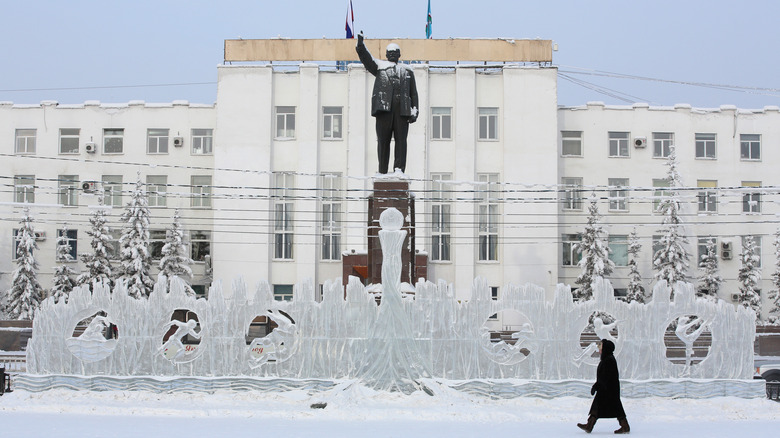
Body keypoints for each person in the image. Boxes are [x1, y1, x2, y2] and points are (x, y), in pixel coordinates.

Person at [356, 33, 419, 174]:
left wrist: (415, 110)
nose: (392, 55)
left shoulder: (408, 71)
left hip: (402, 111)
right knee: (383, 141)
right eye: (389, 53)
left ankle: (399, 170)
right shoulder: (379, 67)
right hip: (384, 110)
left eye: (395, 52)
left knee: (401, 141)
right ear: (386, 54)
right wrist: (360, 46)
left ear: (399, 55)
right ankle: (382, 171)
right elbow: (367, 59)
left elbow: (413, 93)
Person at [577, 339, 631, 434]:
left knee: (603, 406)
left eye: (600, 347)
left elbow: (605, 376)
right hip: (608, 388)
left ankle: (590, 426)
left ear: (605, 348)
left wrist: (597, 386)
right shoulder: (607, 358)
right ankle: (624, 426)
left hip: (608, 389)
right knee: (611, 407)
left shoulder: (608, 360)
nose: (599, 349)